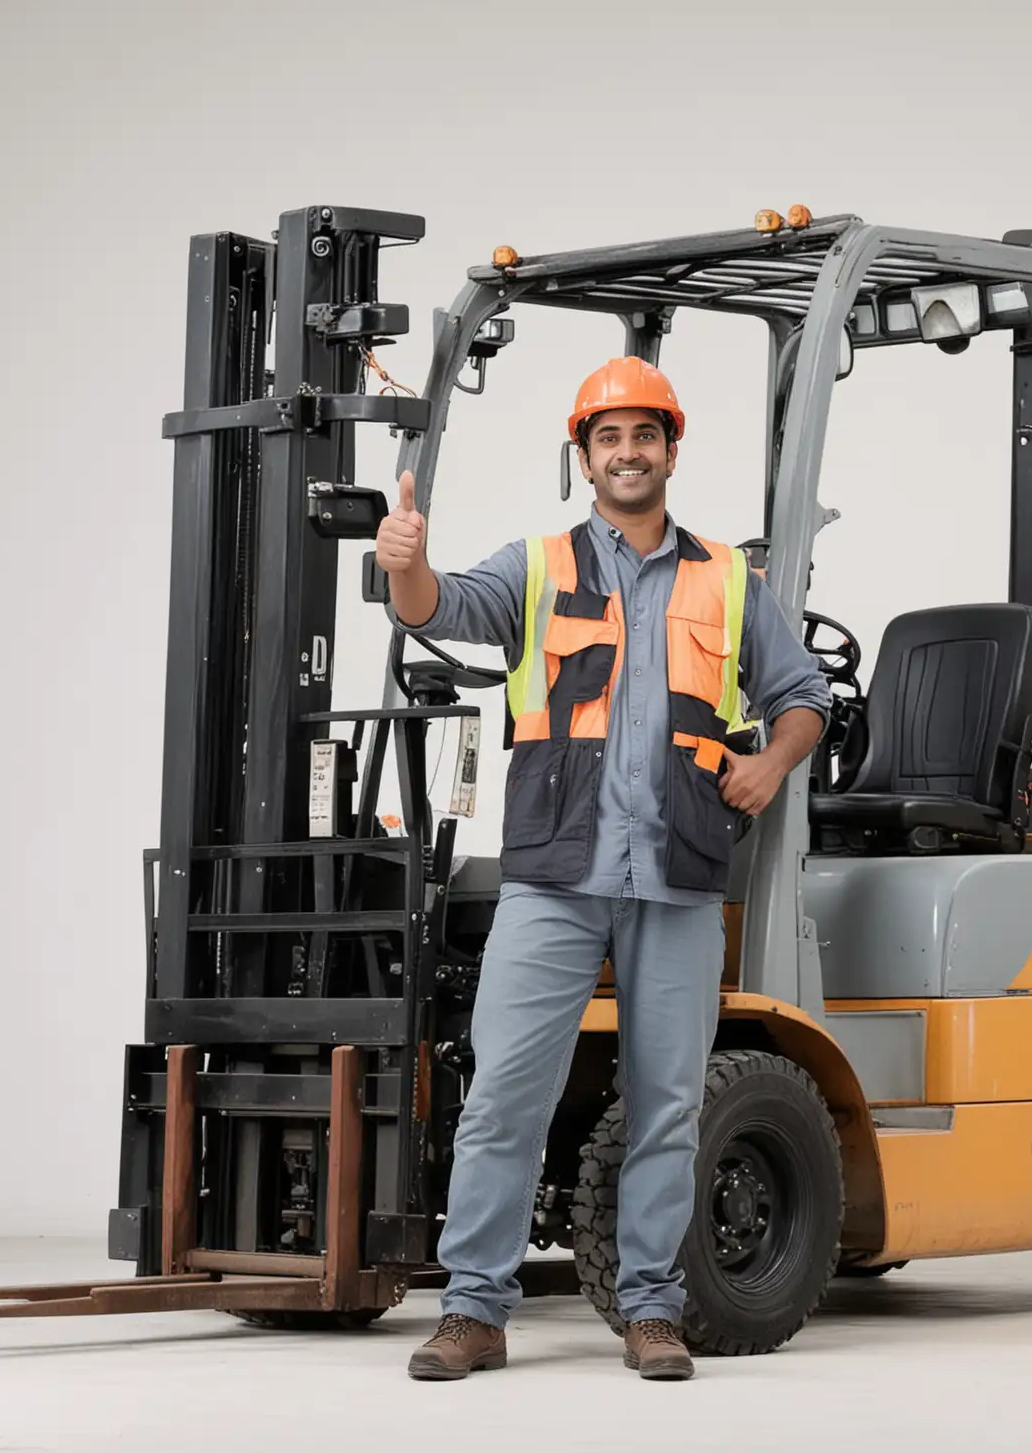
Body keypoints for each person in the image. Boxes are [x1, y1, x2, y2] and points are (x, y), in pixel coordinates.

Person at [375, 357, 831, 1382]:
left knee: (669, 1104)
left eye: (645, 435)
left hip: (677, 875)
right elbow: (441, 607)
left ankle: (652, 1310)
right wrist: (405, 564)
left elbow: (804, 693)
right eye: (608, 438)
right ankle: (475, 1313)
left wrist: (771, 762)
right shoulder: (535, 567)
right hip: (557, 875)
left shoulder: (727, 578)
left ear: (671, 448)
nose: (628, 453)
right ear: (583, 457)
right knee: (504, 1098)